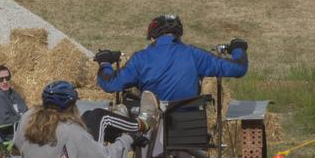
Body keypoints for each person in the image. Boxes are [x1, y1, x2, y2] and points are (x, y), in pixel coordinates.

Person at [94, 14, 249, 104]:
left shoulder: (140, 59)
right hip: (190, 129)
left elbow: (110, 84)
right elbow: (239, 68)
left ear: (153, 36)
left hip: (151, 132)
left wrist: (105, 62)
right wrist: (238, 48)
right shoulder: (194, 55)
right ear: (178, 34)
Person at [14, 81, 141, 158]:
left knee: (89, 116)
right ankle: (141, 125)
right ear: (71, 104)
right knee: (99, 116)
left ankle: (131, 125)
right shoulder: (71, 130)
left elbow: (18, 143)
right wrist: (126, 140)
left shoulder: (28, 117)